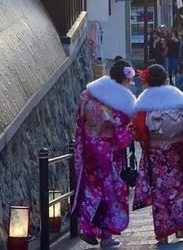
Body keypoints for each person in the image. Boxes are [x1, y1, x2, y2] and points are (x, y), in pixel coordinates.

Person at [73, 58, 138, 247]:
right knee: (110, 190)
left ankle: (88, 227)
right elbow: (121, 134)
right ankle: (104, 235)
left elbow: (80, 120)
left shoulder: (90, 94)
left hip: (89, 145)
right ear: (125, 79)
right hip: (107, 151)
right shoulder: (120, 102)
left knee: (92, 186)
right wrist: (131, 132)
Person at [133, 64, 183, 244]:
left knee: (159, 192)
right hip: (176, 152)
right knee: (178, 189)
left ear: (147, 81)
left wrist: (147, 143)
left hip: (155, 153)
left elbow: (138, 130)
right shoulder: (177, 99)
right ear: (166, 79)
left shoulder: (144, 102)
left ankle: (162, 233)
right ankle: (179, 228)